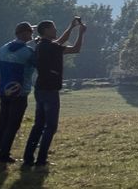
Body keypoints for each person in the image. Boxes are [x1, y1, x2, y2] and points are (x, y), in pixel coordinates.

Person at [22, 17, 85, 169]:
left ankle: (28, 158)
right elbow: (71, 46)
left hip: (40, 89)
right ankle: (41, 160)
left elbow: (69, 44)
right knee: (50, 126)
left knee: (38, 125)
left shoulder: (43, 46)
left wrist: (75, 30)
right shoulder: (48, 46)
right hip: (50, 90)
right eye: (53, 28)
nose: (55, 30)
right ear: (45, 31)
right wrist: (77, 31)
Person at [0, 22, 36, 165]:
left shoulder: (3, 48)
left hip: (4, 91)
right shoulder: (28, 52)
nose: (32, 35)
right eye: (30, 32)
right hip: (20, 93)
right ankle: (4, 155)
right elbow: (40, 64)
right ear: (24, 33)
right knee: (13, 124)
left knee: (2, 123)